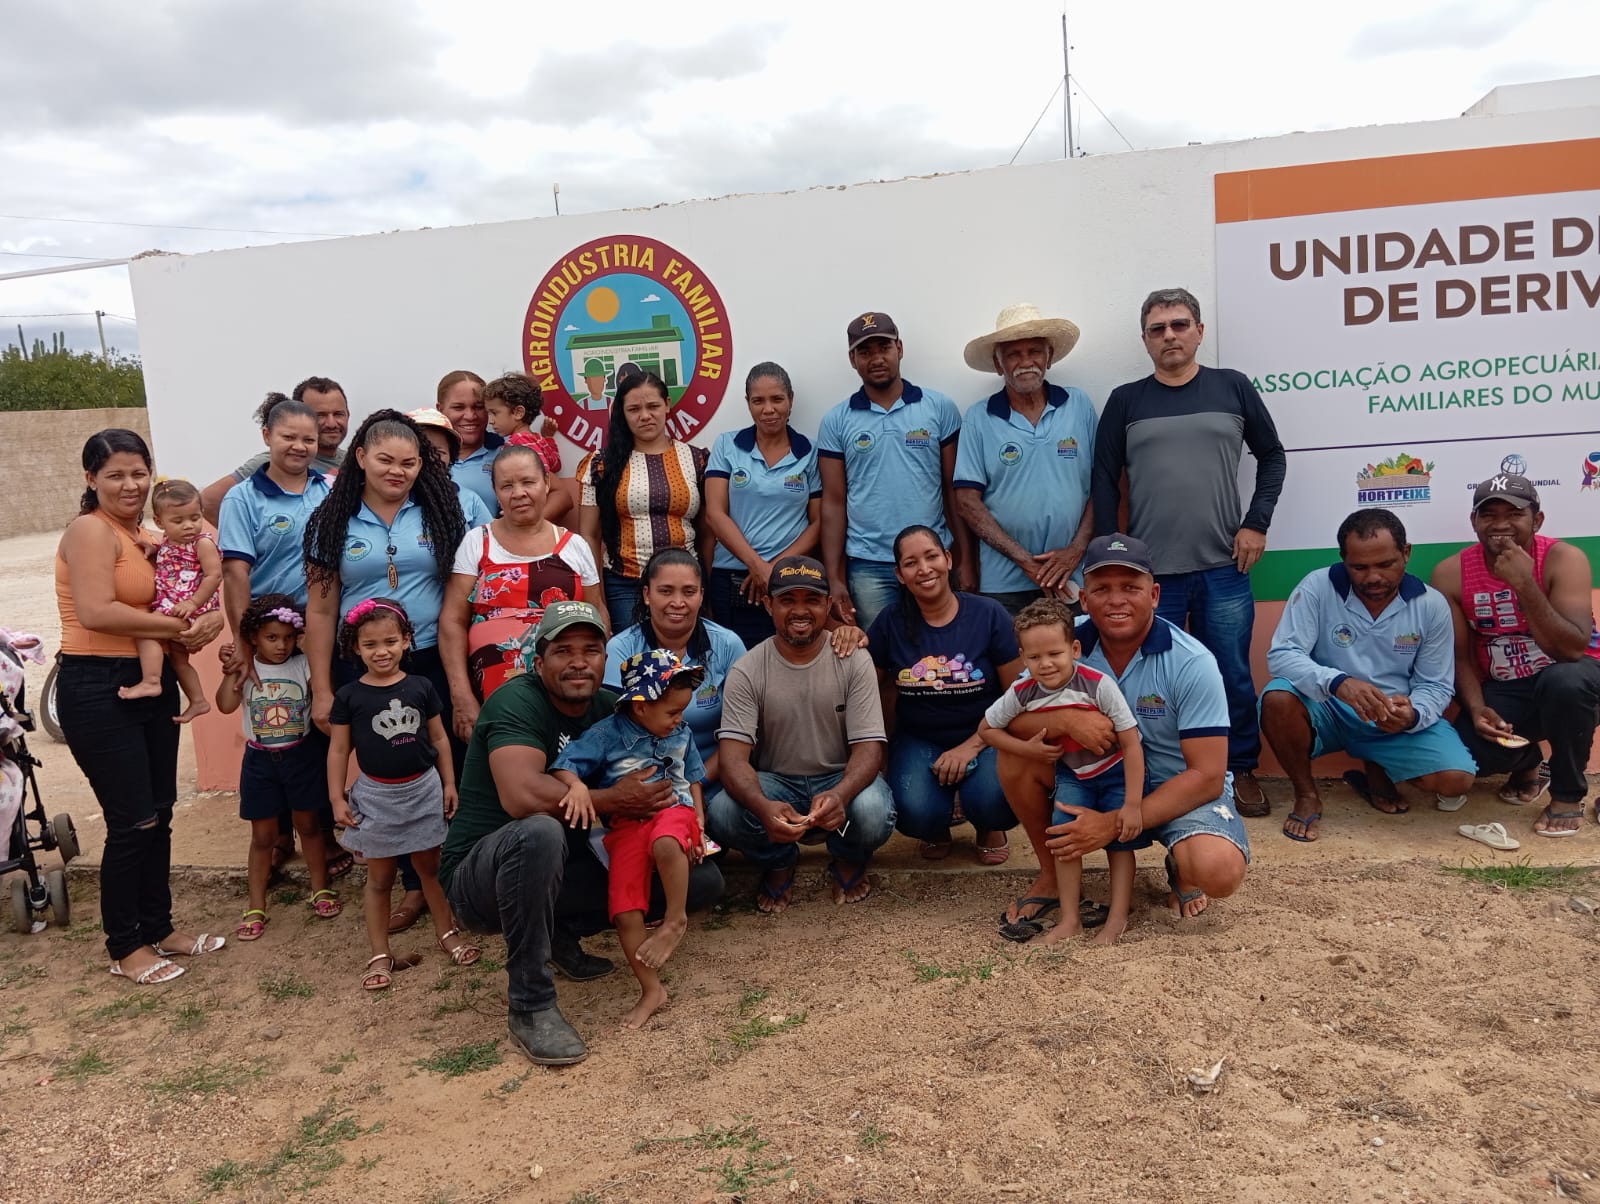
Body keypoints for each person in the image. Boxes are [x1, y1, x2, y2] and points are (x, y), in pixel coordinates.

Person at [439, 600, 725, 1065]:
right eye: (563, 651)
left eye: (591, 650)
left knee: (700, 880)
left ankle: (557, 932)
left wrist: (680, 819)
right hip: (480, 877)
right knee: (538, 832)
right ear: (538, 662)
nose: (578, 662)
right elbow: (522, 796)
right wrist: (613, 799)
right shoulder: (516, 700)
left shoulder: (614, 709)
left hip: (564, 863)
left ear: (605, 659)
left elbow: (671, 767)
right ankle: (531, 1005)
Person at [1091, 287, 1285, 819]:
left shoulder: (1232, 387)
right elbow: (1104, 479)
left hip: (1224, 565)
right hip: (1151, 577)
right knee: (1150, 678)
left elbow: (1272, 456)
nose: (1170, 336)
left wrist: (1257, 523)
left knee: (1230, 672)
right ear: (1145, 340)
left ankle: (1239, 768)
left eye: (1179, 325)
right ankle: (1160, 774)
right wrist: (1110, 556)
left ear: (1199, 331)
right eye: (1158, 329)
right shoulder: (1126, 401)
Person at [996, 534, 1250, 932]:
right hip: (1094, 778)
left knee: (1218, 870)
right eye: (1102, 589)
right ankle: (1051, 874)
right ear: (1084, 599)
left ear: (1154, 595)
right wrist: (1065, 722)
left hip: (1175, 786)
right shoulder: (1060, 642)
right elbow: (1009, 717)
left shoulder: (1192, 662)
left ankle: (1181, 866)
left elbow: (1207, 775)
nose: (1116, 600)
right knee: (1015, 754)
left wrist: (1113, 823)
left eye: (1131, 587)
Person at [56, 429, 226, 985]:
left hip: (149, 680)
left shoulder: (149, 536)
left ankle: (160, 927)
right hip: (97, 683)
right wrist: (178, 628)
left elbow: (191, 586)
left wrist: (211, 618)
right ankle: (125, 946)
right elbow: (97, 611)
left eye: (138, 473)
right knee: (133, 820)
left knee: (160, 811)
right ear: (91, 479)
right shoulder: (90, 530)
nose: (129, 485)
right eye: (115, 475)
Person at [302, 408, 467, 934]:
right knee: (386, 770)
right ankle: (408, 884)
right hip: (363, 668)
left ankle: (446, 880)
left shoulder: (443, 510)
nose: (398, 471)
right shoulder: (331, 519)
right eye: (385, 460)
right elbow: (321, 611)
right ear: (360, 457)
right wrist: (323, 689)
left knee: (438, 766)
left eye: (409, 463)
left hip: (429, 660)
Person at [1263, 509, 1477, 841]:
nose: (1373, 577)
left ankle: (1376, 765)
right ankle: (1306, 793)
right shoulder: (1317, 586)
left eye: (1385, 564)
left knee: (1455, 780)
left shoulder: (1431, 604)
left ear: (1406, 553)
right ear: (1343, 559)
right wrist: (1338, 683)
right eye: (1359, 567)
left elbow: (1435, 684)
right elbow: (1282, 654)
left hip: (1390, 714)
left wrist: (1413, 715)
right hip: (1329, 706)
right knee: (1277, 699)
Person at [708, 556, 895, 912]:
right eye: (787, 600)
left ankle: (848, 855)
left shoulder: (854, 659)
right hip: (777, 782)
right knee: (722, 812)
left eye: (811, 599)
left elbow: (869, 749)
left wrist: (840, 794)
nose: (800, 610)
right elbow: (733, 761)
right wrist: (762, 806)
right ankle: (779, 859)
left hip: (840, 777)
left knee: (873, 811)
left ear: (828, 605)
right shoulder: (747, 669)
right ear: (768, 605)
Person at [218, 394, 345, 882]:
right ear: (267, 436)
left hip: (320, 632)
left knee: (315, 726)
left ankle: (320, 830)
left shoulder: (329, 489)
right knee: (276, 726)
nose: (299, 446)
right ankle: (275, 837)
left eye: (308, 439)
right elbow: (235, 573)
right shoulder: (243, 498)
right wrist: (244, 641)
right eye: (288, 436)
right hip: (271, 637)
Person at [1432, 473, 1600, 837]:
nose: (1500, 524)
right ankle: (1528, 761)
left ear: (1537, 520)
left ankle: (1567, 795)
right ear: (1474, 521)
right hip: (1509, 687)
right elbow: (1459, 658)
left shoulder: (1563, 558)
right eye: (1488, 514)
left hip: (1578, 683)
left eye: (1514, 514)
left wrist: (1524, 582)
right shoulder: (1450, 573)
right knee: (1468, 756)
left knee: (1564, 682)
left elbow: (1571, 650)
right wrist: (1477, 709)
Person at [327, 598, 481, 990]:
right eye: (370, 645)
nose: (381, 652)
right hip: (377, 797)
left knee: (430, 869)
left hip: (423, 791)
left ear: (407, 640)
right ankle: (380, 952)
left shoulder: (421, 686)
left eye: (390, 641)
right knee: (380, 879)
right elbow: (339, 750)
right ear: (355, 648)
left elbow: (440, 739)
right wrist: (336, 799)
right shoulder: (349, 696)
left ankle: (447, 933)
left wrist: (449, 783)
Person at [552, 649, 709, 1028]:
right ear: (641, 707)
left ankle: (675, 919)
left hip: (675, 812)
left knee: (666, 841)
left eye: (681, 711)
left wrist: (700, 822)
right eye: (672, 712)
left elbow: (692, 777)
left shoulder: (682, 732)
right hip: (626, 826)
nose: (679, 719)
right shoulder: (606, 734)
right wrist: (576, 787)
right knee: (624, 911)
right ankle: (651, 990)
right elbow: (564, 764)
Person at [979, 598, 1146, 945]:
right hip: (1073, 775)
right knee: (1062, 838)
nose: (1045, 664)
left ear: (1075, 649)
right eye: (1034, 657)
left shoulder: (1097, 685)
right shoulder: (1023, 691)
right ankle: (1070, 919)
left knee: (1119, 843)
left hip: (1113, 772)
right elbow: (987, 729)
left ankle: (1117, 918)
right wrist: (1027, 749)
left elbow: (1131, 744)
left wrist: (1133, 804)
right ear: (1023, 658)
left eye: (1055, 653)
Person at [867, 524, 1021, 865]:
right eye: (911, 563)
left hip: (986, 734)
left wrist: (972, 746)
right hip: (919, 738)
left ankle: (989, 825)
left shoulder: (988, 614)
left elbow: (1017, 695)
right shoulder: (890, 622)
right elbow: (865, 687)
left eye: (931, 556)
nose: (924, 569)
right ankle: (935, 825)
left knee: (993, 800)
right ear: (900, 575)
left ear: (948, 560)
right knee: (915, 811)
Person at [818, 311, 969, 631]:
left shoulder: (939, 407)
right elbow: (833, 502)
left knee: (942, 648)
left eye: (884, 348)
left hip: (930, 559)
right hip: (869, 565)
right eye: (865, 351)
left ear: (899, 348)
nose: (876, 358)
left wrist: (966, 558)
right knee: (880, 654)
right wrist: (834, 577)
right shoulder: (836, 420)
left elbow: (953, 490)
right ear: (852, 359)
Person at [440, 443, 603, 734]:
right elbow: (452, 621)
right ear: (496, 492)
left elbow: (596, 615)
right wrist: (461, 696)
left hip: (566, 691)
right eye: (507, 486)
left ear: (546, 483)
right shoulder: (477, 542)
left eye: (528, 482)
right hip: (492, 696)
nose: (518, 493)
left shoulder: (574, 546)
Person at [955, 303, 1097, 614]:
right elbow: (966, 501)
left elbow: (1103, 485)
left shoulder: (1079, 406)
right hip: (1004, 584)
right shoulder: (979, 418)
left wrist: (1075, 551)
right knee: (1011, 648)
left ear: (1049, 357)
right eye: (1013, 354)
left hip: (1072, 578)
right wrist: (1024, 560)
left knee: (1075, 646)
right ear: (998, 364)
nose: (1025, 362)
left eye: (1034, 351)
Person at [214, 594, 338, 939]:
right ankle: (256, 905)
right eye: (271, 637)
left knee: (309, 826)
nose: (281, 646)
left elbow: (323, 690)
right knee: (263, 836)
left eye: (288, 637)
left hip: (301, 758)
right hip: (260, 763)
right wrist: (232, 669)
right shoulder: (247, 667)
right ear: (253, 637)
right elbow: (225, 705)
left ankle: (320, 889)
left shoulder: (303, 665)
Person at [603, 549, 747, 807]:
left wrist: (694, 783)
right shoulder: (621, 649)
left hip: (714, 778)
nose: (678, 602)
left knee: (726, 815)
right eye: (666, 591)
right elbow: (613, 734)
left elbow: (741, 733)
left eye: (689, 592)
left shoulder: (728, 645)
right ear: (647, 594)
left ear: (701, 596)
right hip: (646, 784)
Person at [703, 362, 822, 648]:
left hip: (790, 580)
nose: (768, 409)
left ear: (790, 399)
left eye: (777, 399)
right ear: (748, 403)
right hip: (731, 579)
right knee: (735, 663)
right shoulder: (727, 445)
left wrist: (773, 570)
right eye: (758, 401)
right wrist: (756, 565)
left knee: (790, 659)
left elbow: (819, 522)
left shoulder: (810, 452)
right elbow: (715, 514)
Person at [577, 370, 711, 623]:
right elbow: (589, 536)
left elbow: (707, 533)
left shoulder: (697, 460)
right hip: (625, 585)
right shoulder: (600, 464)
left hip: (685, 586)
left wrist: (706, 587)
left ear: (667, 405)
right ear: (622, 412)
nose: (645, 416)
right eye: (634, 409)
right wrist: (597, 602)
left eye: (653, 406)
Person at [122, 479, 220, 724]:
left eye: (195, 518)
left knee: (145, 631)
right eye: (178, 521)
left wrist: (193, 603)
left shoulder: (202, 543)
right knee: (178, 660)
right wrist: (154, 550)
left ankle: (151, 680)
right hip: (176, 604)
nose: (188, 526)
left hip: (189, 606)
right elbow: (172, 559)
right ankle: (198, 700)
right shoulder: (168, 542)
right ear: (159, 522)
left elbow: (214, 576)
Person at [200, 378, 350, 525]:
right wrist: (245, 535)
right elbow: (208, 501)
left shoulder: (353, 461)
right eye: (320, 415)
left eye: (338, 414)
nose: (331, 423)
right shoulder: (269, 463)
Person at [404, 407, 497, 528]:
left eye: (439, 452)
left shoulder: (469, 501)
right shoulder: (388, 499)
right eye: (422, 450)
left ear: (451, 457)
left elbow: (490, 538)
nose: (430, 458)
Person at [438, 369, 504, 517]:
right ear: (440, 409)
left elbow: (556, 493)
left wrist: (520, 527)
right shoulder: (424, 454)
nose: (470, 416)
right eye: (458, 407)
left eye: (478, 407)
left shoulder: (506, 448)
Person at [483, 371, 563, 477]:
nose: (491, 421)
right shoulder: (537, 439)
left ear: (518, 413)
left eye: (494, 413)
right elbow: (556, 465)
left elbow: (535, 477)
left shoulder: (516, 443)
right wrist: (548, 438)